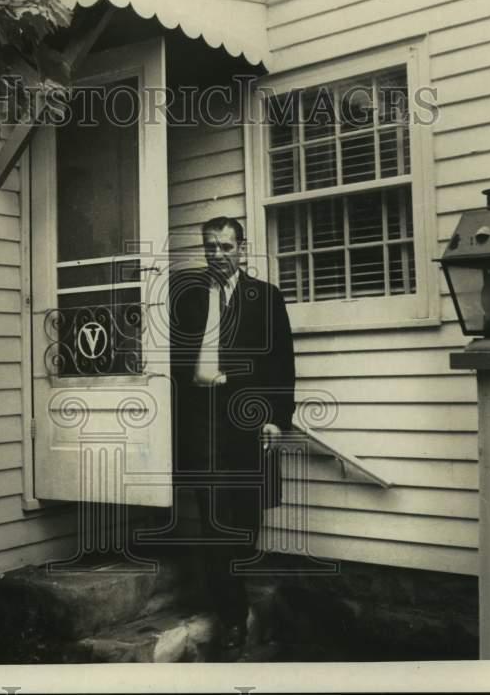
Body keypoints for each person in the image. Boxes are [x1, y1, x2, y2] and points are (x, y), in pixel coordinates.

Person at [169, 215, 296, 654]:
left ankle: (234, 591)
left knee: (244, 518)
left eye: (226, 246)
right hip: (201, 417)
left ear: (241, 249)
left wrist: (278, 417)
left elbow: (282, 363)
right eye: (210, 246)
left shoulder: (265, 297)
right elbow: (167, 356)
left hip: (246, 419)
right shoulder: (184, 295)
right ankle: (231, 615)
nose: (217, 254)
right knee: (212, 519)